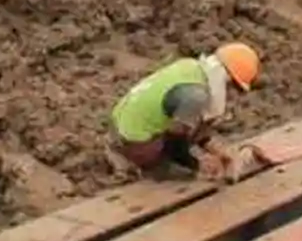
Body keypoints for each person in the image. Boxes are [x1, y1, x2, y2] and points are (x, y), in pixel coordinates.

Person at [110, 42, 261, 179]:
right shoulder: (196, 96)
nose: (232, 95)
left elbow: (196, 128)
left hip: (119, 121)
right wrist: (197, 166)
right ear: (227, 79)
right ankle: (141, 163)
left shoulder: (191, 66)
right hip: (133, 138)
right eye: (234, 88)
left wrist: (218, 151)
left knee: (189, 122)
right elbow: (174, 143)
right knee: (184, 175)